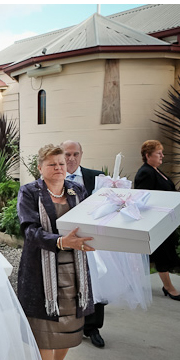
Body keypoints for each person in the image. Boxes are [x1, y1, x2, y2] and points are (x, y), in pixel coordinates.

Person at [17, 144, 96, 360]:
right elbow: (29, 230)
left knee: (69, 329)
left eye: (62, 163)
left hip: (74, 271)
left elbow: (92, 222)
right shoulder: (29, 192)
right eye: (52, 164)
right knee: (46, 334)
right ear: (40, 168)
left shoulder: (77, 190)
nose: (59, 168)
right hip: (42, 273)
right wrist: (61, 241)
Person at [60, 140, 107, 348]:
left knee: (94, 280)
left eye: (75, 154)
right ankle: (69, 325)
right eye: (67, 154)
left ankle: (93, 327)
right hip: (63, 239)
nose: (71, 159)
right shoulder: (53, 175)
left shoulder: (96, 177)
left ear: (81, 154)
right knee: (69, 282)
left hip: (90, 240)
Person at [134, 139, 180, 301]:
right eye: (158, 153)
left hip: (164, 221)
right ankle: (169, 287)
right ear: (148, 155)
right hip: (154, 222)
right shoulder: (145, 172)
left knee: (155, 255)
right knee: (162, 254)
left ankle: (132, 282)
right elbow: (143, 198)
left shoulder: (155, 170)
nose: (162, 155)